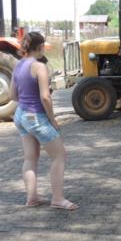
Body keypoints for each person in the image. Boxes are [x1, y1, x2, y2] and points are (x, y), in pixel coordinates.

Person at [11, 32, 77, 210]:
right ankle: (58, 199)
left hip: (20, 115)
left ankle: (32, 198)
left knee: (30, 158)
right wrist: (52, 119)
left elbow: (13, 95)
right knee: (59, 155)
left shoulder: (18, 65)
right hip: (36, 117)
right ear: (40, 47)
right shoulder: (39, 67)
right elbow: (45, 97)